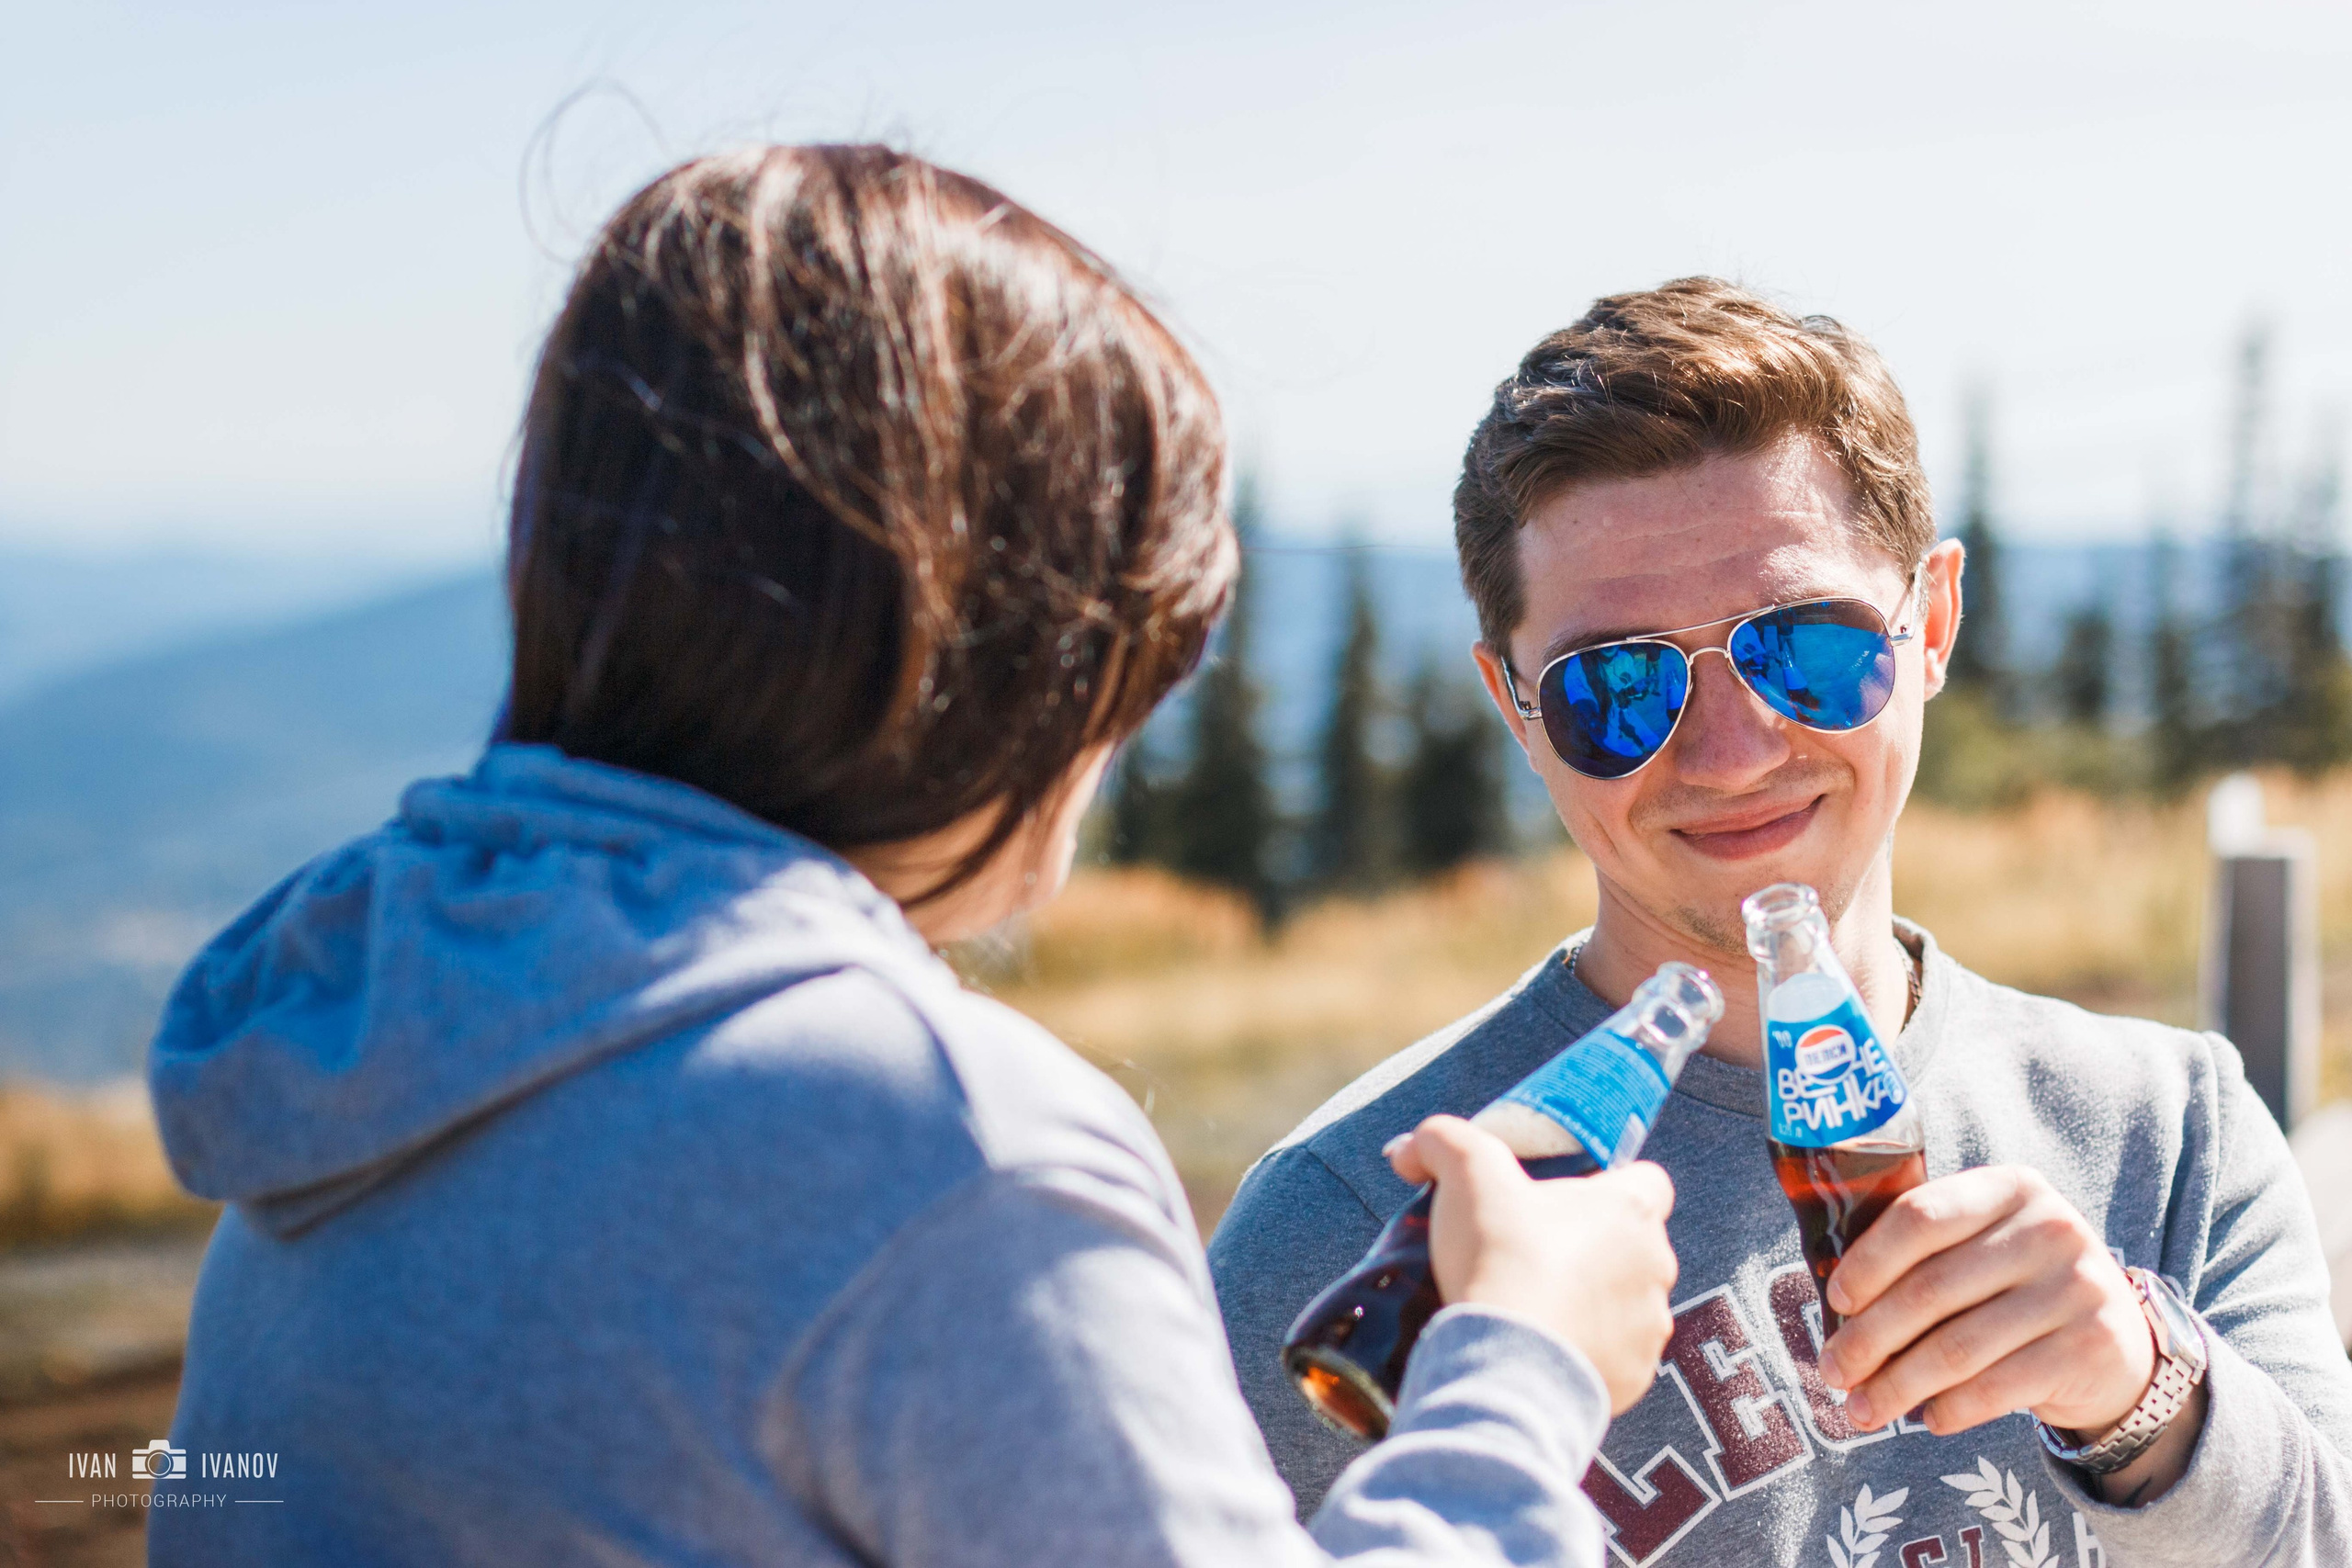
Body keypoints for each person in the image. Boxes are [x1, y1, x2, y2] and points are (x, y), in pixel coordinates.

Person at [143, 145, 1683, 1566]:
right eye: (1138, 656)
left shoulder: (341, 1069)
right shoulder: (943, 1150)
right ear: (1019, 658)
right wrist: (1524, 1373)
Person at [1209, 279, 2352, 1567]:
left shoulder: (2167, 1130)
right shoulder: (1348, 1224)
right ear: (1513, 704)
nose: (1731, 749)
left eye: (1803, 647)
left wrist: (2143, 1389)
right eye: (1616, 687)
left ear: (1930, 624)